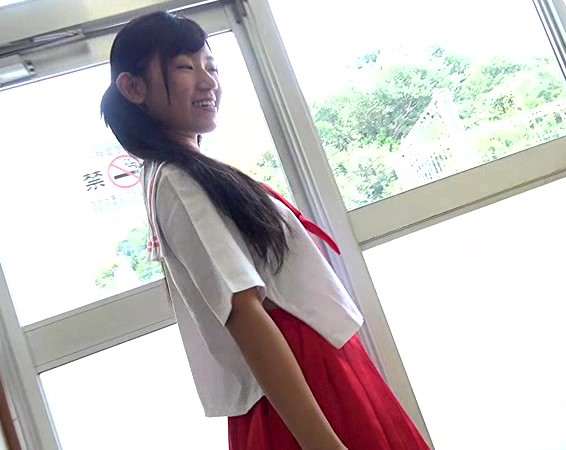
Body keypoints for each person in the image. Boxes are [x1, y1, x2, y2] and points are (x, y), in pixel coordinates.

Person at [100, 11, 430, 450]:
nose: (208, 82)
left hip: (310, 372)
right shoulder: (177, 181)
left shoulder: (187, 171)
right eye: (185, 67)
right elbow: (243, 313)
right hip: (303, 381)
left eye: (211, 66)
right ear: (133, 88)